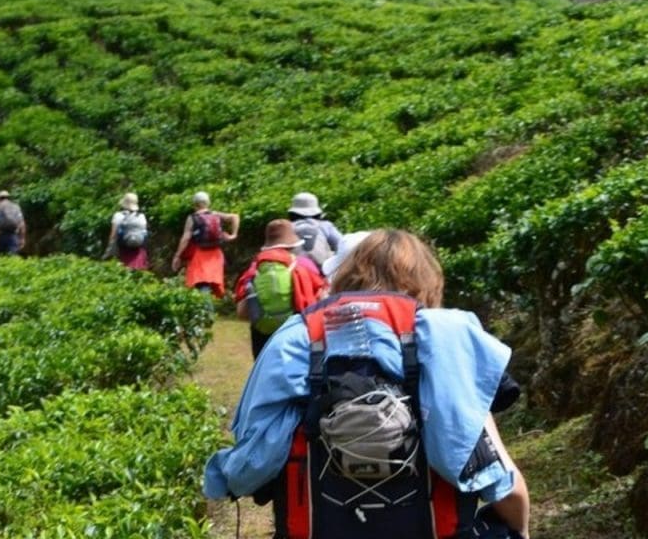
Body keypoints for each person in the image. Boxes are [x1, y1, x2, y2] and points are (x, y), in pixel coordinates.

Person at [204, 229, 530, 539]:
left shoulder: (296, 335)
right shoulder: (449, 336)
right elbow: (502, 485)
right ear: (428, 283)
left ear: (346, 276)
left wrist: (222, 477)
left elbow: (250, 466)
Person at [234, 219, 328, 358]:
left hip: (262, 336)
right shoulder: (304, 264)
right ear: (292, 244)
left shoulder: (255, 268)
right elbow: (322, 297)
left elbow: (241, 312)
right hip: (295, 332)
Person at [171, 191, 240, 299]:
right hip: (216, 254)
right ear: (208, 203)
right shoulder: (215, 214)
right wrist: (233, 235)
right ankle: (217, 307)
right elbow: (235, 217)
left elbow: (186, 238)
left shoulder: (193, 218)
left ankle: (206, 312)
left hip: (200, 254)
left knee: (202, 283)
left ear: (195, 204)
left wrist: (177, 255)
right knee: (212, 283)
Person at [288, 192, 343, 270]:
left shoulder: (288, 227)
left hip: (296, 270)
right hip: (322, 269)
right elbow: (342, 245)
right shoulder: (325, 226)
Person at [105, 192, 149, 270]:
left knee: (123, 272)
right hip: (138, 251)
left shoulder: (118, 215)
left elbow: (113, 236)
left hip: (123, 250)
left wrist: (110, 250)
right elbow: (144, 233)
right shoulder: (141, 216)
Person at [0, 190, 26, 256]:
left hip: (0, 235)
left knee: (0, 257)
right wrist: (22, 238)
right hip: (13, 235)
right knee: (13, 258)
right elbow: (22, 223)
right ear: (8, 197)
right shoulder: (16, 207)